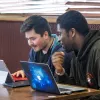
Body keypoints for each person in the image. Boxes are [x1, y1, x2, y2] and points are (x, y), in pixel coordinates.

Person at [52, 10, 100, 99]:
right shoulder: (76, 53)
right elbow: (75, 88)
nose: (58, 39)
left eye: (60, 33)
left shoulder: (97, 50)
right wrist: (60, 72)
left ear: (72, 32)